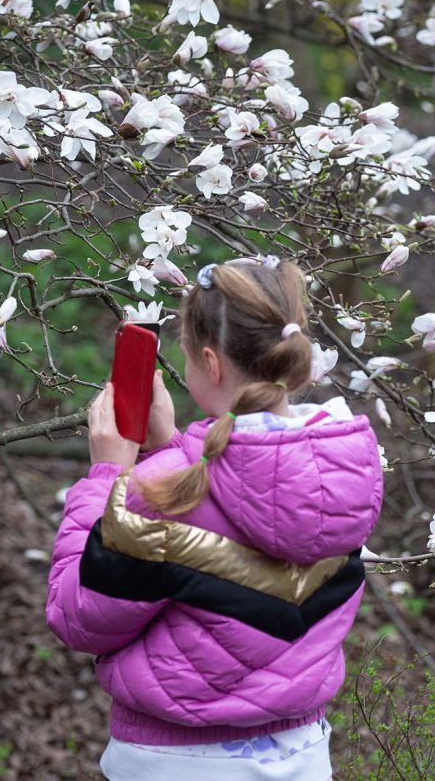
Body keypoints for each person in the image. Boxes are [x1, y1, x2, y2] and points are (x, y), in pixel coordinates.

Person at [45, 256, 383, 779]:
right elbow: (243, 507)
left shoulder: (162, 495)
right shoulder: (342, 465)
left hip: (174, 763)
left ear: (211, 361)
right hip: (301, 757)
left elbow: (78, 617)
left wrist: (107, 476)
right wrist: (170, 450)